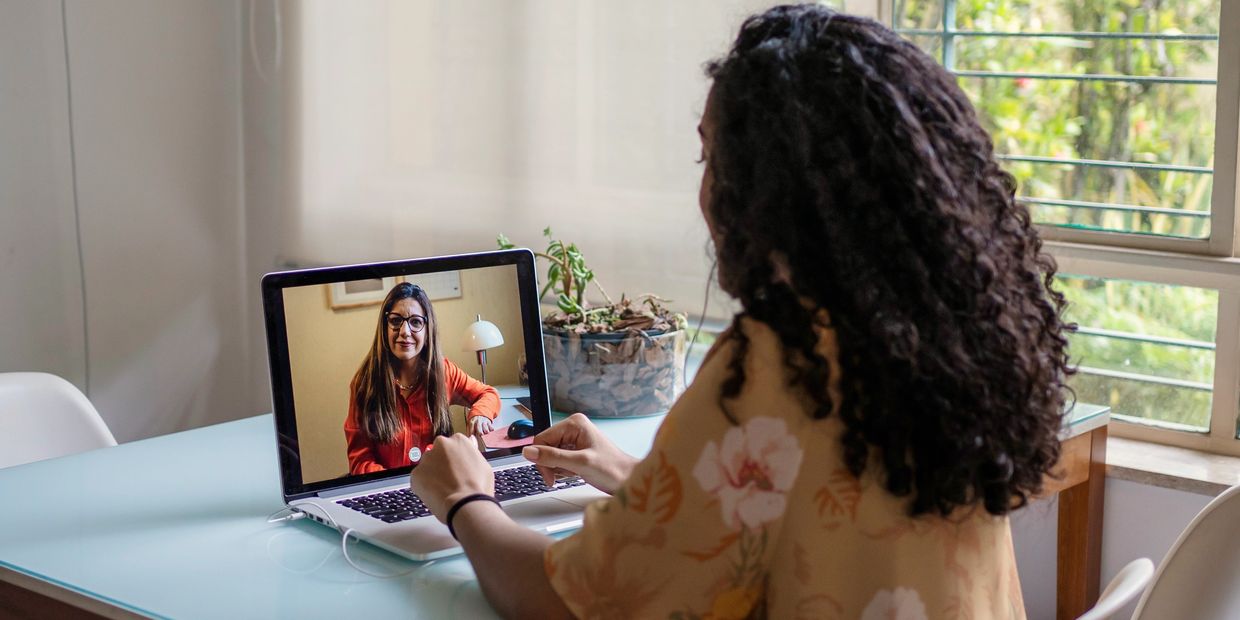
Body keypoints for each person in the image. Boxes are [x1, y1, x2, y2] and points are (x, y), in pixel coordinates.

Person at [410, 5, 1071, 618]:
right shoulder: (936, 339)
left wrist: (465, 499)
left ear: (775, 187)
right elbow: (815, 506)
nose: (704, 188)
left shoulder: (785, 362)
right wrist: (638, 481)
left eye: (711, 156)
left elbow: (563, 601)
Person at [345, 282, 499, 475]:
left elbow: (488, 393)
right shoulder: (364, 384)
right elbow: (360, 461)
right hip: (389, 491)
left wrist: (479, 414)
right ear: (385, 327)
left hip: (438, 483)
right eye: (396, 321)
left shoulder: (444, 371)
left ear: (428, 331)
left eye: (416, 322)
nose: (405, 332)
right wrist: (397, 485)